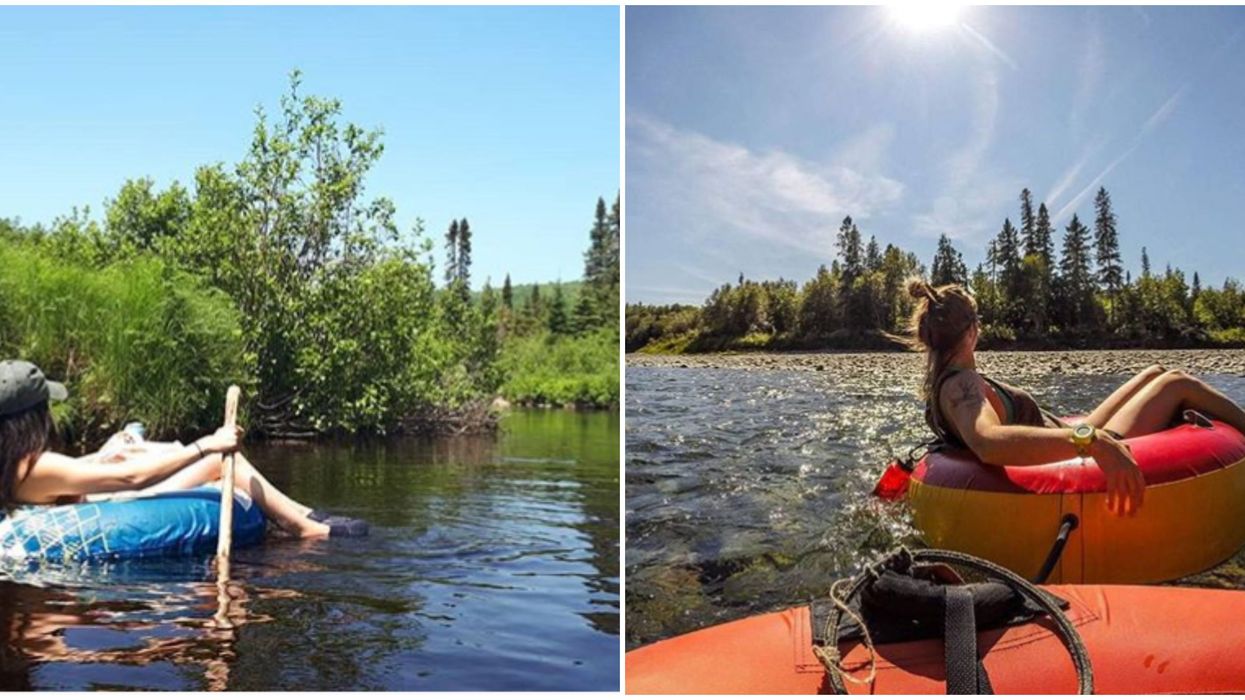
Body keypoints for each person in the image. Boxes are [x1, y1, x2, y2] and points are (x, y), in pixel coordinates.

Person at [903, 279, 1245, 517]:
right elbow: (988, 442)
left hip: (1074, 429)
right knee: (1176, 384)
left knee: (1156, 371)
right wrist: (1092, 441)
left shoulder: (956, 380)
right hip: (1083, 449)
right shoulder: (960, 386)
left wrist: (1085, 431)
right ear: (972, 331)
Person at [0, 360, 367, 537]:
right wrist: (207, 444)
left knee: (138, 451)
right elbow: (132, 479)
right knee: (224, 463)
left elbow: (58, 479)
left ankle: (307, 514)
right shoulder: (36, 465)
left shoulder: (14, 463)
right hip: (106, 510)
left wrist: (103, 454)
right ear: (33, 417)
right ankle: (304, 524)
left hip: (86, 504)